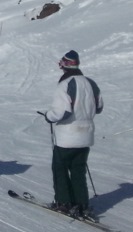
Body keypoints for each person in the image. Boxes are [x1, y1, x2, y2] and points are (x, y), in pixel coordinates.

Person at [43, 50, 103, 219]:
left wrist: (49, 116)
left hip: (67, 135)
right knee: (78, 170)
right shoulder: (91, 83)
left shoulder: (65, 84)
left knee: (60, 169)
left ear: (66, 65)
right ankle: (82, 204)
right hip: (86, 135)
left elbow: (62, 111)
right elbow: (99, 108)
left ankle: (63, 202)